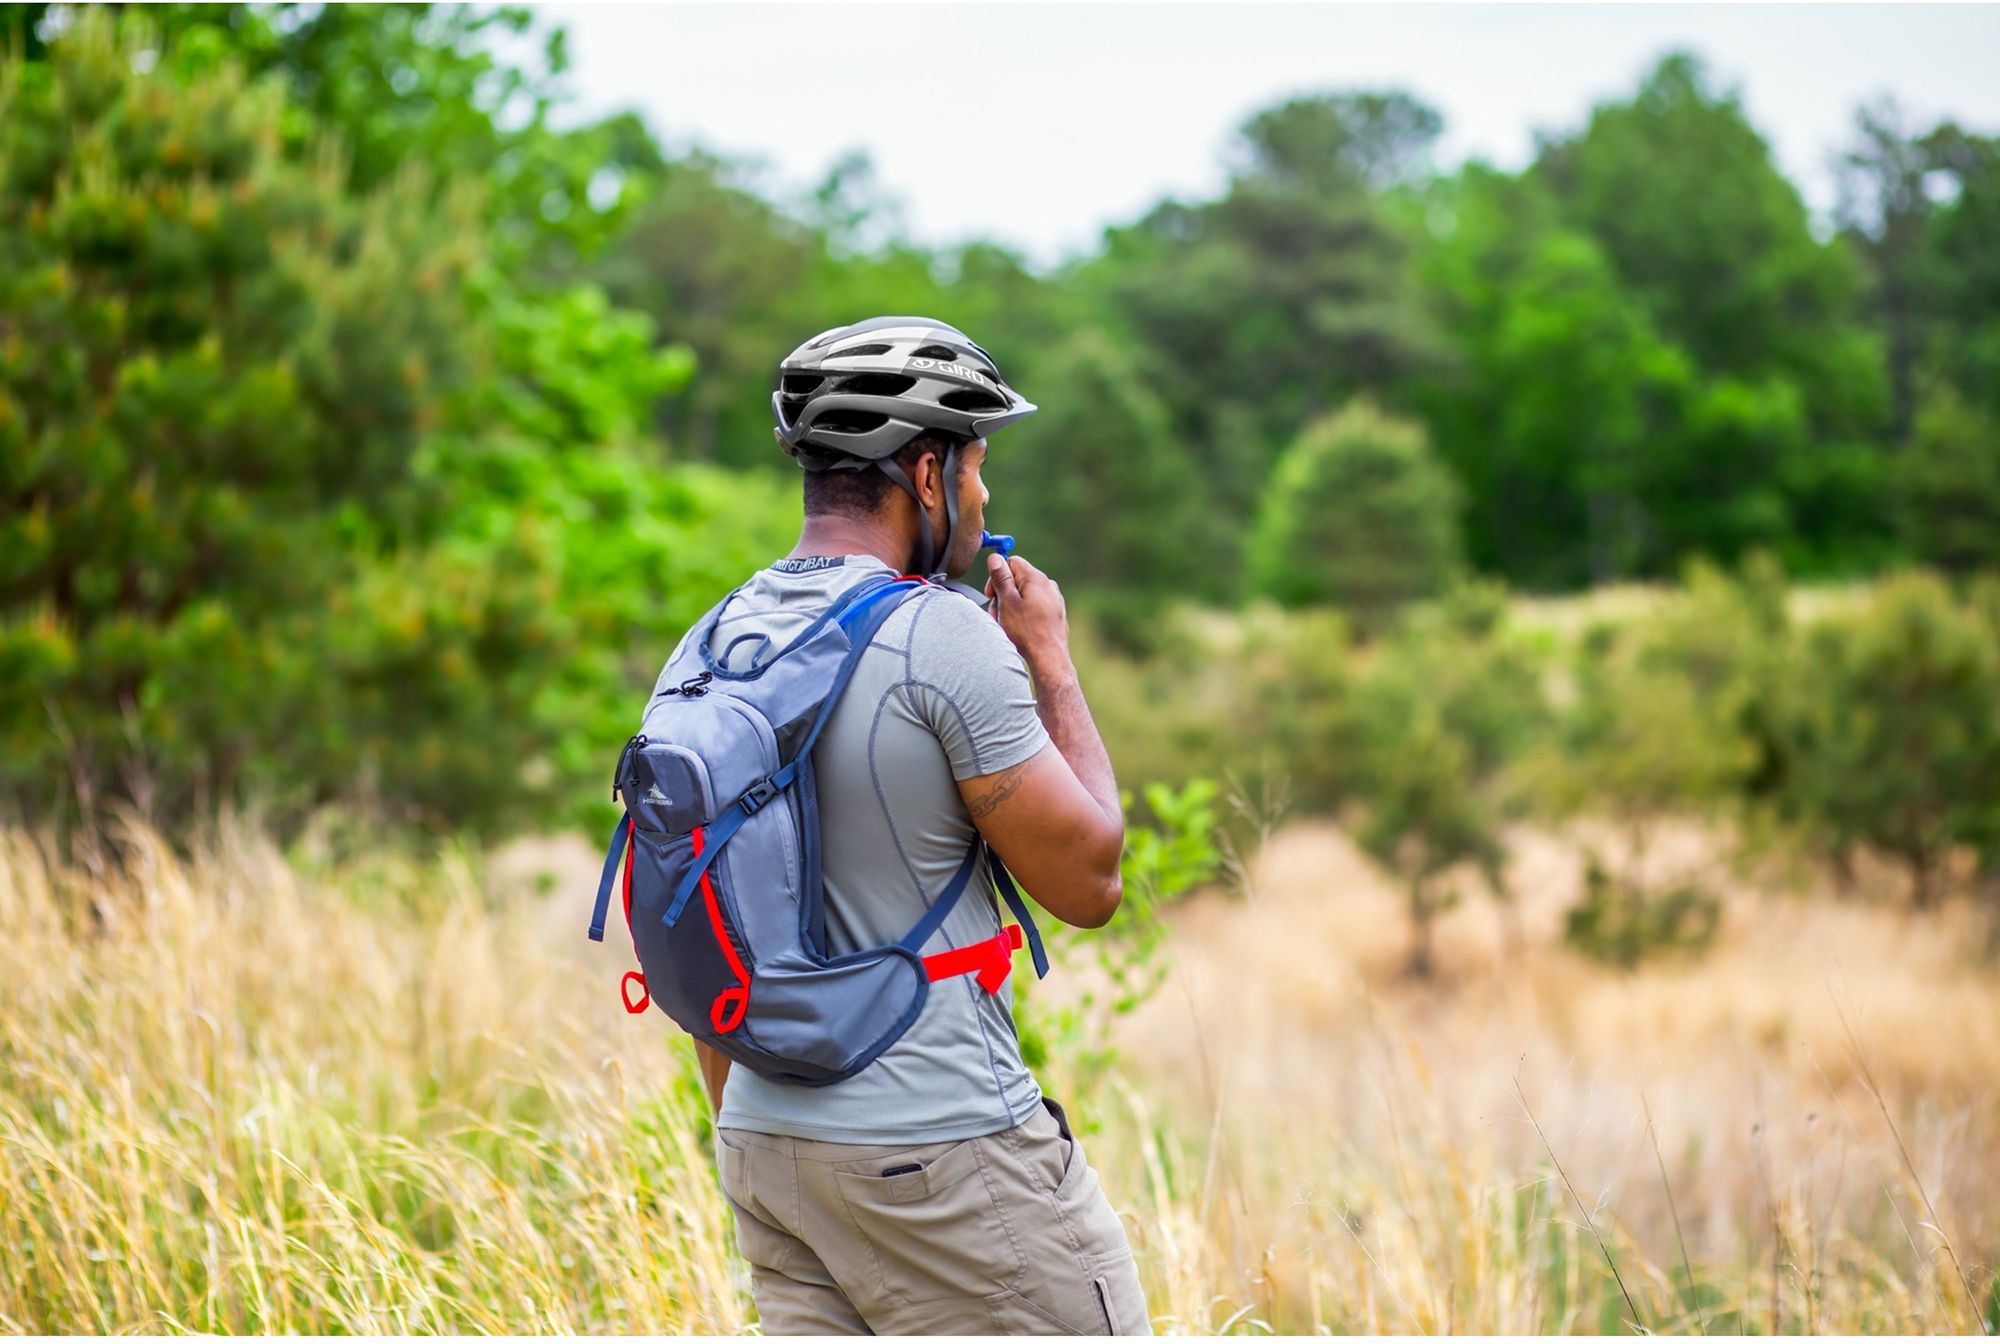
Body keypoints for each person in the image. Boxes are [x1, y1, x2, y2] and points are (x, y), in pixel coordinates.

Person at [683, 316, 1149, 1334]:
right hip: (940, 1147)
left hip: (765, 1145)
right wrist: (1051, 664)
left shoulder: (715, 639)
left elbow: (684, 907)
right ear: (926, 474)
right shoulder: (937, 636)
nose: (984, 501)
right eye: (978, 468)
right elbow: (1089, 883)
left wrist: (753, 1117)